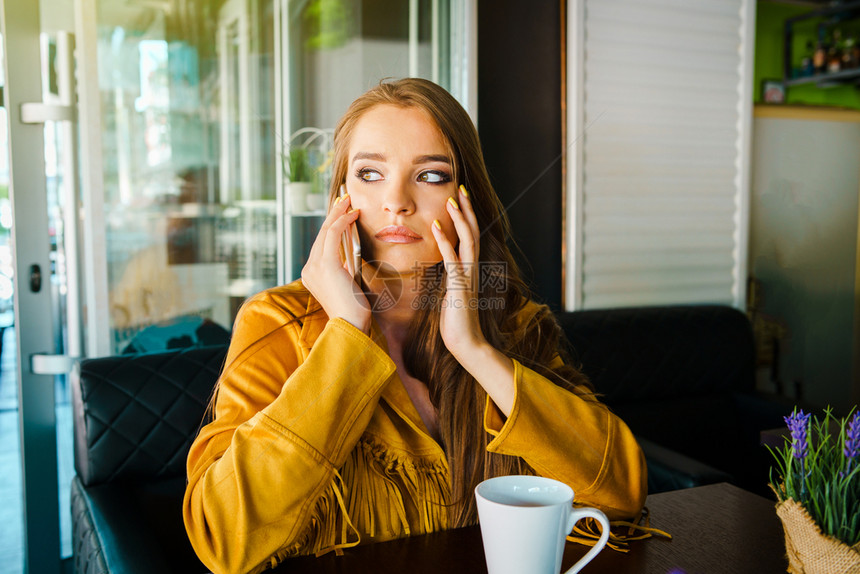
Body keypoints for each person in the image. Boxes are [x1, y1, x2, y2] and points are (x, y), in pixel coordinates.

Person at [183, 78, 646, 574]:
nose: (397, 201)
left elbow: (621, 493)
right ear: (342, 197)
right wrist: (346, 334)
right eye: (369, 173)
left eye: (429, 176)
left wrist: (475, 350)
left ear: (468, 199)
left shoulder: (515, 321)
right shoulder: (277, 321)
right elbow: (224, 540)